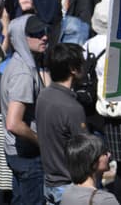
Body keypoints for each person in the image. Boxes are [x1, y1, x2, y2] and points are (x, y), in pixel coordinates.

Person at [0, 15, 49, 205]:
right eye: (36, 34)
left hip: (19, 153)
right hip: (27, 156)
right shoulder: (23, 73)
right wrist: (41, 142)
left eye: (43, 31)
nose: (44, 37)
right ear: (20, 37)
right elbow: (13, 123)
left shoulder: (18, 63)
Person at [36, 42, 88, 204]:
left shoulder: (43, 96)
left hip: (50, 182)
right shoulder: (72, 108)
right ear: (73, 68)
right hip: (69, 186)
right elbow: (85, 152)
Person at [60, 133, 120, 205]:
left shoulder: (66, 193)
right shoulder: (105, 200)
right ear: (94, 163)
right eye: (104, 153)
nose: (109, 155)